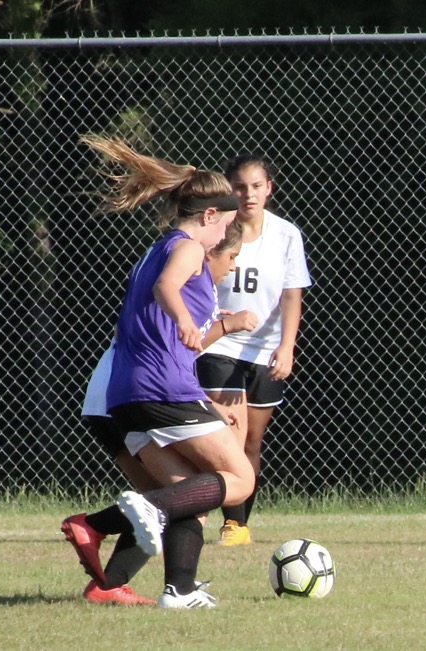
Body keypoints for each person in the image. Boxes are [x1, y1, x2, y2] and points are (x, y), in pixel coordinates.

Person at [61, 135, 257, 609]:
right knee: (240, 477)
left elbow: (161, 320)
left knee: (186, 493)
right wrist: (188, 320)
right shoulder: (187, 247)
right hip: (162, 386)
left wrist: (210, 328)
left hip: (128, 392)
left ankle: (178, 591)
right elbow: (168, 288)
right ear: (208, 217)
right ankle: (105, 522)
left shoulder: (158, 247)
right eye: (224, 225)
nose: (224, 237)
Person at [196, 153, 312, 546]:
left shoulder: (286, 235)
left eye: (256, 186)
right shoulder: (217, 230)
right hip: (220, 344)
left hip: (265, 351)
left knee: (250, 443)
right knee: (228, 438)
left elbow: (291, 296)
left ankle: (239, 522)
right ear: (229, 189)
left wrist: (286, 347)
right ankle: (212, 518)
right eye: (240, 187)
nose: (248, 194)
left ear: (268, 189)